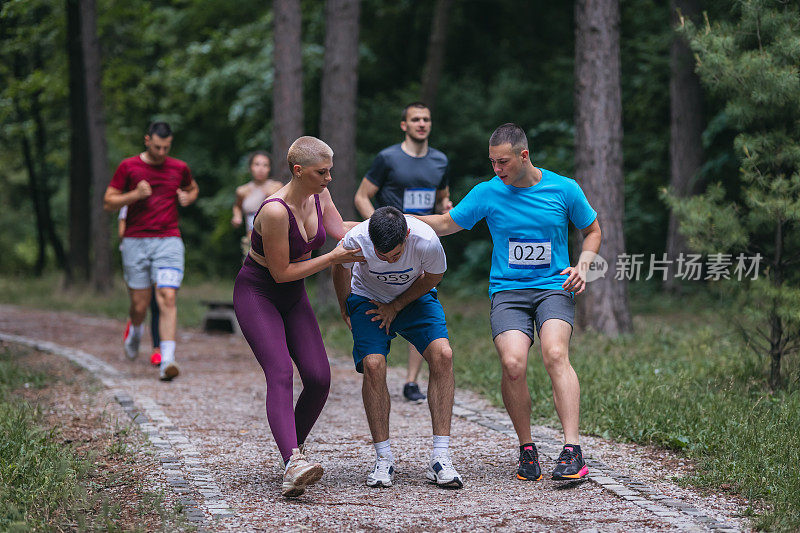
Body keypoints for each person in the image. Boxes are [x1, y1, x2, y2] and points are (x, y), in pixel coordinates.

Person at [417, 123, 601, 482]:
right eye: (492, 162)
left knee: (555, 354)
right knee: (513, 363)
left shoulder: (564, 189)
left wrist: (584, 264)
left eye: (503, 162)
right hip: (508, 293)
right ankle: (527, 448)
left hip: (553, 287)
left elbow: (592, 230)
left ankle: (572, 450)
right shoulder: (488, 192)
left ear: (524, 155)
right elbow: (444, 223)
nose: (496, 170)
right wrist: (396, 221)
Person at [233, 136, 365, 498]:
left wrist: (392, 226)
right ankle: (293, 459)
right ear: (298, 170)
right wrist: (333, 259)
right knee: (280, 372)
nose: (329, 179)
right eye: (322, 172)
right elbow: (281, 273)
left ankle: (293, 457)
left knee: (320, 379)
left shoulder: (318, 194)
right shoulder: (274, 211)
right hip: (258, 293)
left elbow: (340, 231)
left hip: (293, 297)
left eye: (330, 171)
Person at [332, 206, 463, 489]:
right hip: (367, 298)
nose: (390, 260)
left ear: (406, 234)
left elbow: (433, 277)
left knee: (443, 354)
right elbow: (339, 267)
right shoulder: (356, 239)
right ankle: (384, 457)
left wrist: (396, 306)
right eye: (383, 256)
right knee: (373, 364)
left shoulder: (426, 240)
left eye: (396, 255)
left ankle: (440, 457)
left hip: (415, 298)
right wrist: (345, 307)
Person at [354, 102, 453, 404]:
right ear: (404, 125)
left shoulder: (440, 160)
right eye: (415, 119)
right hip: (390, 243)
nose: (422, 124)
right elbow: (362, 195)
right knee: (385, 299)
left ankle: (411, 380)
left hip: (421, 242)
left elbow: (443, 197)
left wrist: (447, 207)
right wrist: (376, 229)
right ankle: (380, 358)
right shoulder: (388, 158)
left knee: (422, 300)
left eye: (426, 119)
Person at [103, 121, 199, 381]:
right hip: (136, 241)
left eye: (166, 147)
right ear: (147, 141)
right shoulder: (128, 166)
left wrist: (188, 198)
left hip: (168, 240)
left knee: (167, 296)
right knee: (139, 305)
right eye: (157, 147)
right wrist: (134, 195)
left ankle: (167, 359)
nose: (161, 152)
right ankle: (134, 329)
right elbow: (109, 201)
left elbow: (192, 188)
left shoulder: (179, 167)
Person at [118, 205, 161, 367]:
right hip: (135, 255)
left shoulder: (161, 200)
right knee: (139, 305)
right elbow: (121, 233)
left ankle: (158, 349)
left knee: (159, 302)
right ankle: (135, 327)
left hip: (157, 254)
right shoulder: (129, 202)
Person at [231, 151, 283, 254]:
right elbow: (237, 206)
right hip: (251, 243)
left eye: (265, 165)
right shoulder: (242, 190)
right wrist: (237, 217)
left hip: (274, 241)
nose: (261, 169)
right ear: (251, 167)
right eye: (257, 164)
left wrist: (271, 198)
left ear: (269, 169)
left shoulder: (277, 187)